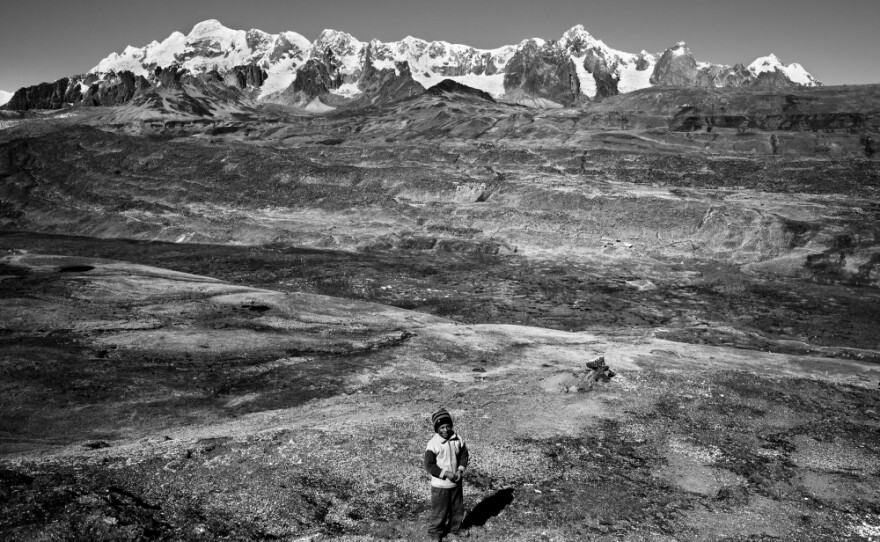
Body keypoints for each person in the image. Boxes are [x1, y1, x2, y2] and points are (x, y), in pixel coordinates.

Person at [424, 407, 470, 540]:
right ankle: (435, 533)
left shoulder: (458, 439)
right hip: (440, 486)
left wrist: (460, 470)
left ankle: (455, 529)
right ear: (437, 428)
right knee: (439, 511)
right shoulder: (433, 444)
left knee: (457, 509)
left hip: (456, 483)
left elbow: (464, 455)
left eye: (448, 426)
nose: (445, 430)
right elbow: (429, 465)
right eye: (442, 427)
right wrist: (445, 473)